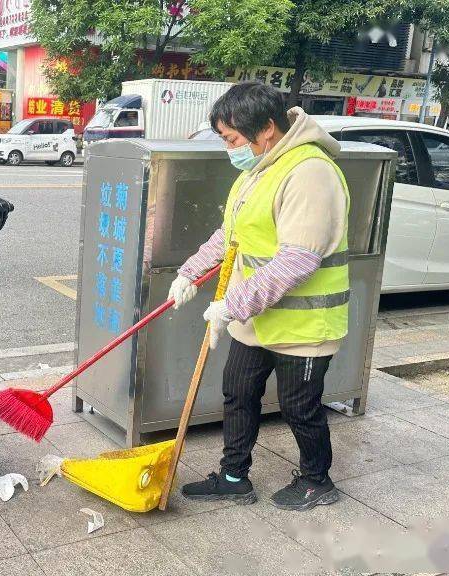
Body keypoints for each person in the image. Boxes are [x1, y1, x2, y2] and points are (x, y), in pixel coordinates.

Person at [168, 82, 350, 511]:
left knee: (298, 407)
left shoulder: (310, 173)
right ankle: (234, 477)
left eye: (231, 139)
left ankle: (317, 480)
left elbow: (297, 261)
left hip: (304, 325)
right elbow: (231, 236)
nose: (229, 149)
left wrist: (231, 305)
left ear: (266, 129)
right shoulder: (260, 169)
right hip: (257, 319)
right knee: (238, 392)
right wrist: (189, 273)